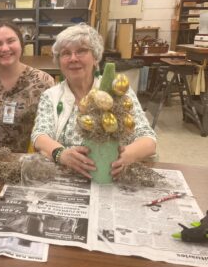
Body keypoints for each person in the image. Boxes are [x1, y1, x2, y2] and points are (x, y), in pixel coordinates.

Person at [31, 24, 156, 179]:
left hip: (112, 176)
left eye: (81, 51)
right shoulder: (51, 96)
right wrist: (60, 154)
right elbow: (40, 136)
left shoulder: (117, 92)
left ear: (96, 57)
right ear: (59, 61)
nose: (73, 58)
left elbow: (148, 140)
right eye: (65, 53)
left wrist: (128, 156)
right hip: (66, 177)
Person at [0, 21, 54, 152]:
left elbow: (50, 129)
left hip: (25, 162)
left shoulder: (43, 81)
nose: (5, 48)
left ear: (21, 44)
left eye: (11, 41)